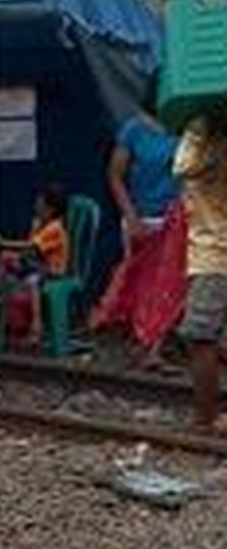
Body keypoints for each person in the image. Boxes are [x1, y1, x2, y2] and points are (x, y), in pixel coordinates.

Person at [95, 80, 183, 364]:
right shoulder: (134, 129)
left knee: (167, 284)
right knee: (140, 280)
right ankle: (145, 342)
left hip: (174, 218)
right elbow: (115, 176)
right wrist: (130, 216)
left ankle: (154, 346)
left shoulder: (182, 128)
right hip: (140, 217)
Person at [173, 111, 227, 435]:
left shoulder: (207, 136)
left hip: (215, 254)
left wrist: (196, 126)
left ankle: (205, 420)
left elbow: (182, 166)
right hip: (213, 252)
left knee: (199, 336)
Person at [0, 184, 70, 351]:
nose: (36, 205)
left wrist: (2, 242)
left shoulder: (54, 228)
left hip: (53, 271)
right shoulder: (39, 224)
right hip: (37, 265)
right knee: (6, 257)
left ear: (51, 209)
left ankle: (36, 328)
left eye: (40, 203)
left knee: (31, 280)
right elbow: (30, 255)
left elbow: (31, 248)